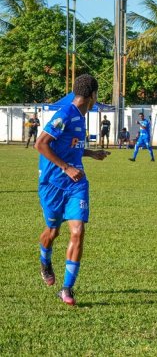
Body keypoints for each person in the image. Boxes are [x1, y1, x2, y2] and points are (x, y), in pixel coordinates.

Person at [35, 74, 110, 306]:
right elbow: (41, 144)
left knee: (77, 231)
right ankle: (45, 262)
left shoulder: (80, 116)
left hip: (76, 183)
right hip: (53, 184)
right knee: (52, 232)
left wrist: (90, 153)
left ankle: (66, 289)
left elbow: (71, 146)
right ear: (93, 96)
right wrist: (66, 167)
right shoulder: (65, 114)